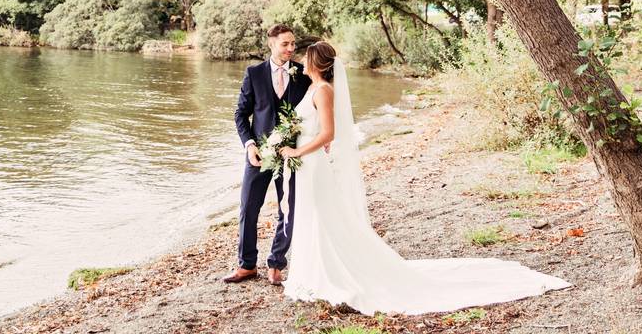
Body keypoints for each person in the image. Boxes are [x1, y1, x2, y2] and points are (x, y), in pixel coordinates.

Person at [278, 41, 571, 314]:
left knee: (322, 218)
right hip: (308, 164)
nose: (302, 60)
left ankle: (332, 273)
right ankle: (315, 272)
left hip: (311, 162)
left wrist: (297, 150)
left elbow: (329, 133)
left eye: (306, 57)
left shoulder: (324, 91)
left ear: (316, 62)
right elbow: (318, 130)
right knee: (313, 217)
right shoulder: (313, 87)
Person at [223, 24, 311, 285]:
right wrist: (249, 145)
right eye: (285, 44)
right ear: (271, 44)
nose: (291, 48)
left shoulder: (303, 75)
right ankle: (247, 265)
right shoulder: (254, 73)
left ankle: (276, 262)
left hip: (291, 154)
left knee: (289, 209)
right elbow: (240, 114)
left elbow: (314, 109)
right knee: (249, 207)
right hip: (258, 154)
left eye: (293, 44)